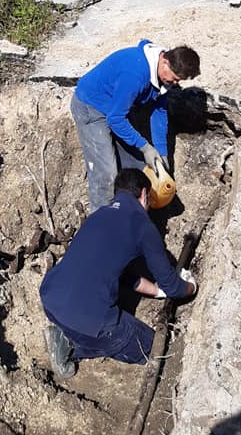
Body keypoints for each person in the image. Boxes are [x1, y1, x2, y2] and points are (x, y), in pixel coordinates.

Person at [40, 168, 198, 377]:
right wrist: (190, 287)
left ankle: (65, 332)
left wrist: (157, 291)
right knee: (153, 348)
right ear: (144, 194)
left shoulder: (97, 216)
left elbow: (120, 273)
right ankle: (71, 346)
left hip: (51, 300)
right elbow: (172, 285)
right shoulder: (142, 225)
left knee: (90, 317)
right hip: (86, 317)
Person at [71, 40, 201, 212]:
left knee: (138, 166)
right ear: (165, 61)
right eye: (175, 79)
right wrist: (145, 147)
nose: (175, 83)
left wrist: (161, 153)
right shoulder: (135, 74)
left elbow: (159, 112)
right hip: (91, 107)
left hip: (116, 107)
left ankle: (132, 216)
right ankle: (101, 224)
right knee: (107, 175)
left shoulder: (163, 76)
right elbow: (116, 119)